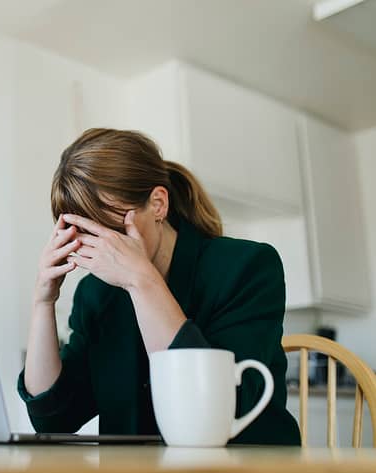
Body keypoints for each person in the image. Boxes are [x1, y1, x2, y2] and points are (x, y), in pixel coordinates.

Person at [17, 128, 300, 445]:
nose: (101, 251)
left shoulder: (246, 266)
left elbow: (209, 414)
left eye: (110, 231)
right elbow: (53, 418)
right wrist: (43, 300)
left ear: (158, 204)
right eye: (84, 235)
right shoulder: (95, 295)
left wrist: (141, 280)